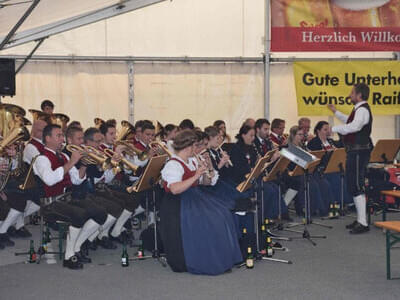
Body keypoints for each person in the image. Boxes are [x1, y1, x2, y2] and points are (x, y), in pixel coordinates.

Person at [160, 129, 242, 275]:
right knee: (212, 219)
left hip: (193, 196)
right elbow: (175, 189)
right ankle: (205, 260)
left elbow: (205, 182)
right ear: (187, 147)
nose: (196, 149)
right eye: (194, 146)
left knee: (223, 213)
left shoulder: (191, 160)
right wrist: (196, 175)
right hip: (179, 203)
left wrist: (208, 169)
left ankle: (221, 258)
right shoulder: (173, 164)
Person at [33, 124, 95, 269]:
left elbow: (76, 179)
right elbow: (50, 179)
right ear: (48, 138)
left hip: (66, 199)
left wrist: (84, 164)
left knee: (99, 212)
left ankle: (76, 248)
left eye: (62, 135)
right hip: (50, 204)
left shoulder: (63, 156)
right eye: (58, 136)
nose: (62, 139)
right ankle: (69, 256)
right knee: (80, 215)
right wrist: (72, 162)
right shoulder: (41, 159)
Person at [328, 83, 373, 234]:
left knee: (356, 184)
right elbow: (350, 121)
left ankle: (363, 222)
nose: (350, 95)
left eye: (352, 92)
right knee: (353, 184)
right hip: (356, 151)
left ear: (359, 95)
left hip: (359, 151)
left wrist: (332, 129)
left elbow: (354, 127)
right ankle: (361, 219)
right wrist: (336, 112)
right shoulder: (359, 109)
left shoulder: (362, 110)